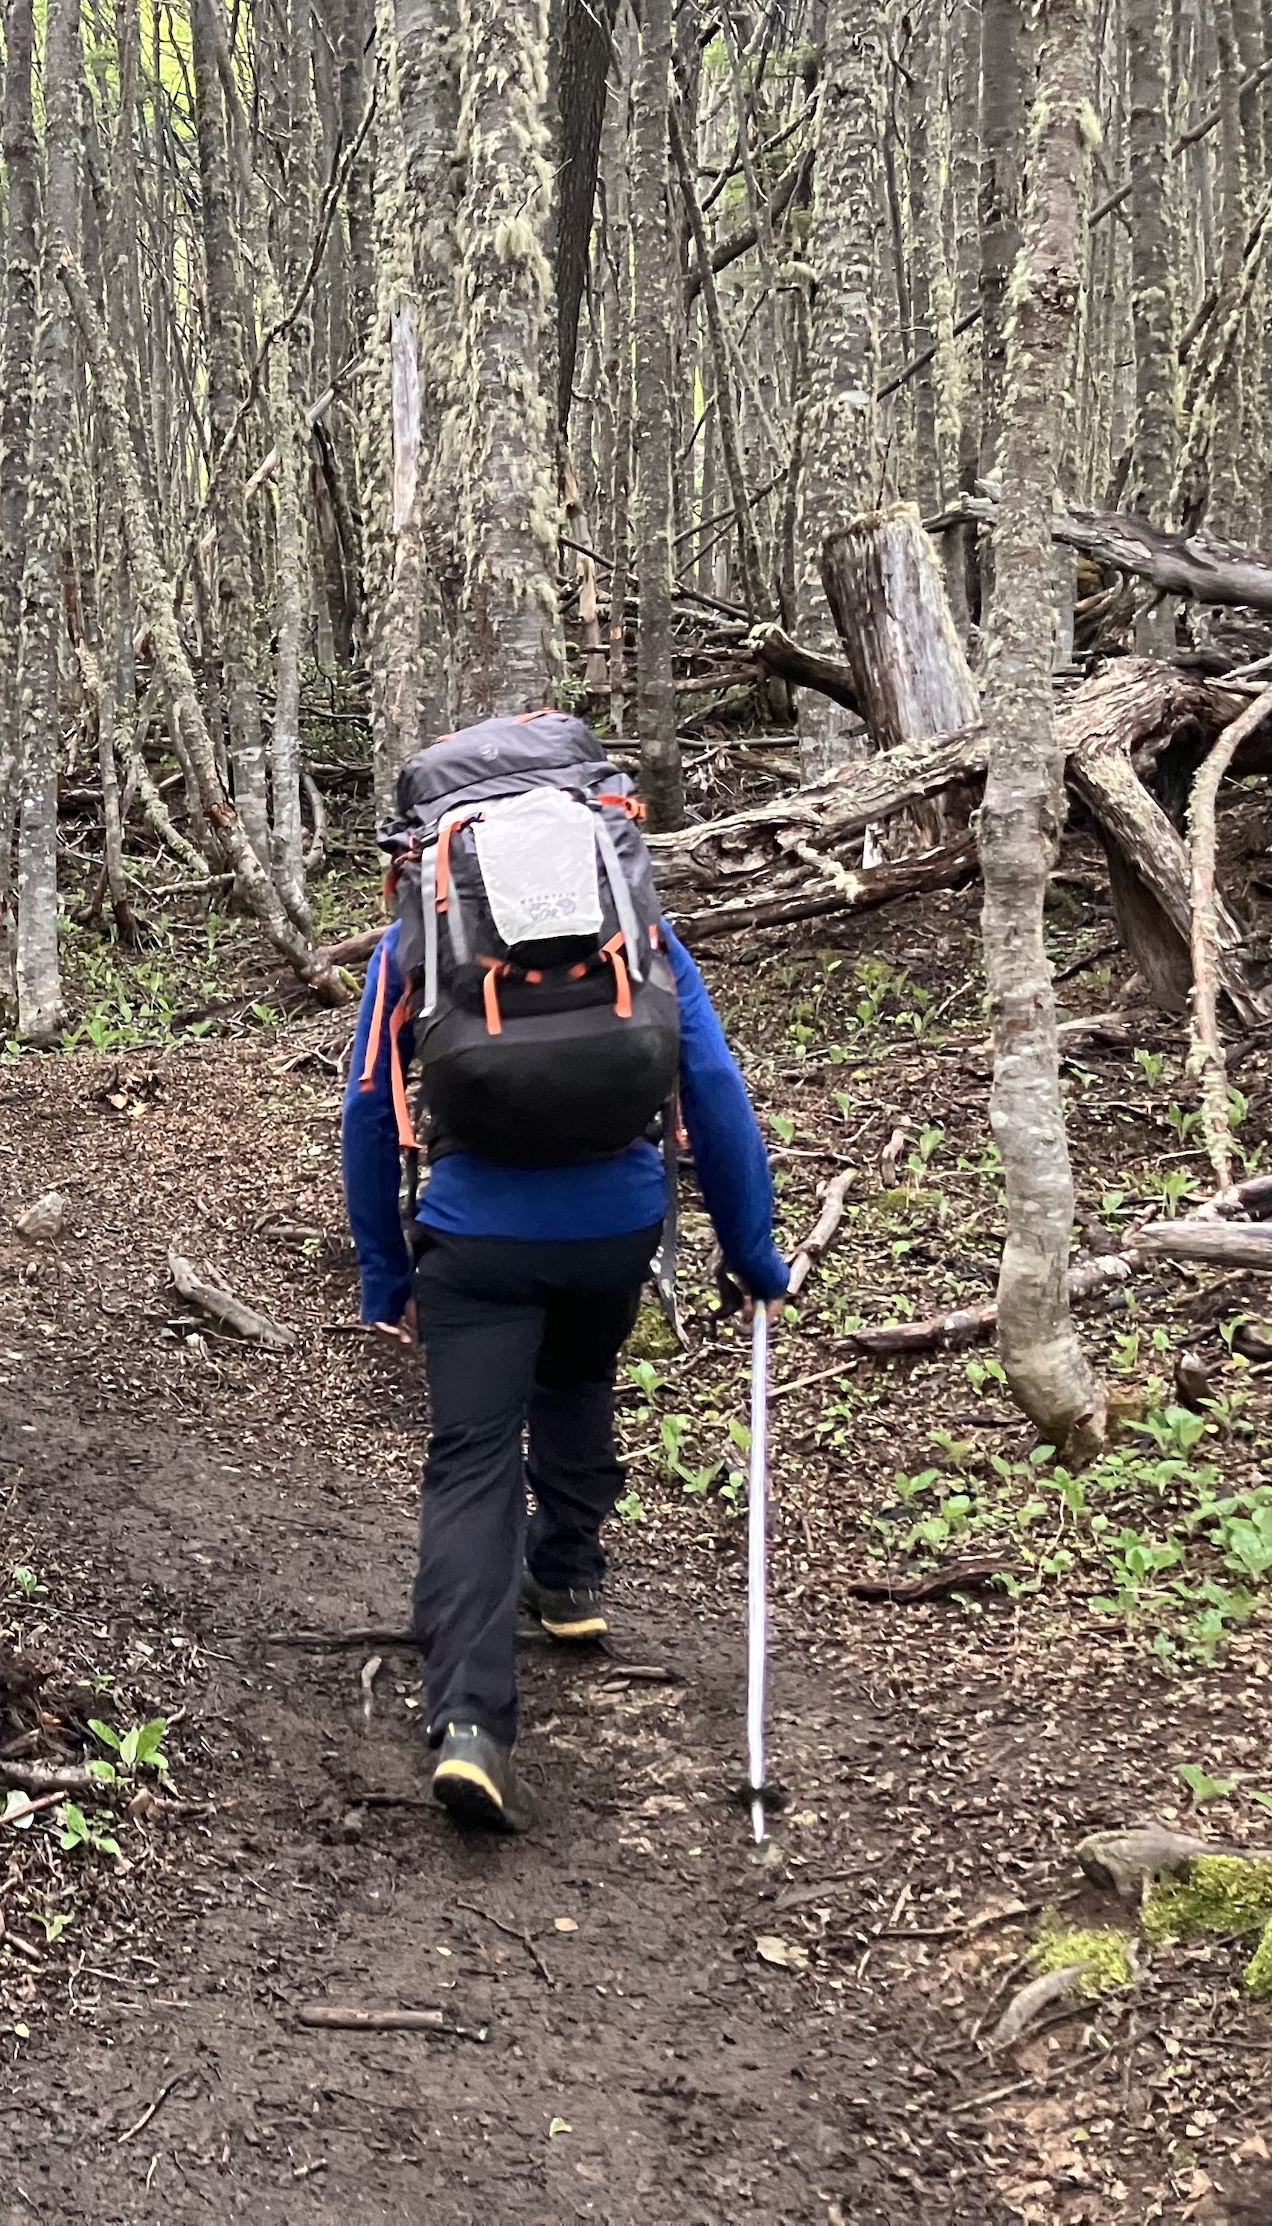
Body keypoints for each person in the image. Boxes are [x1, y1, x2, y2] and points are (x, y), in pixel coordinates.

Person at [341, 713, 788, 1836]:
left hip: (476, 1238)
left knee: (473, 1460)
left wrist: (386, 1277)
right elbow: (711, 1088)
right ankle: (573, 1576)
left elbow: (370, 1113)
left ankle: (471, 1724)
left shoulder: (418, 940)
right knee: (581, 1379)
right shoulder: (636, 932)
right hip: (615, 1225)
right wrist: (751, 1250)